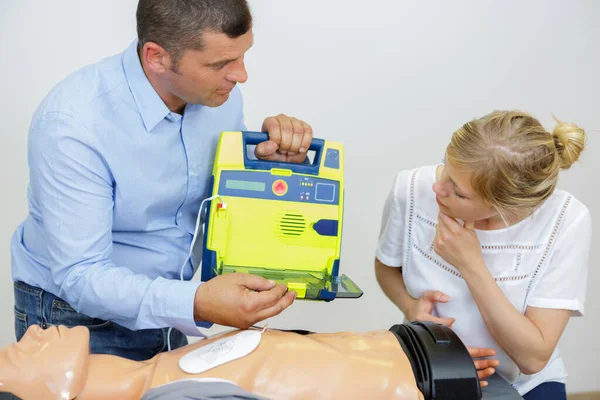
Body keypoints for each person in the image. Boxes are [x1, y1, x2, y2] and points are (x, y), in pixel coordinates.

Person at [10, 0, 312, 361]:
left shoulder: (219, 97)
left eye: (243, 55)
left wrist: (274, 163)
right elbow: (80, 275)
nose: (241, 75)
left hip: (169, 307)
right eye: (220, 64)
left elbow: (221, 199)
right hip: (76, 319)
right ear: (156, 57)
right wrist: (197, 302)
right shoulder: (73, 124)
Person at [374, 110, 592, 399]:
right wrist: (411, 307)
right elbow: (387, 267)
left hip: (525, 384)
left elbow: (533, 358)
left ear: (506, 207)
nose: (438, 188)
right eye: (445, 167)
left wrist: (470, 264)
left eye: (459, 193)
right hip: (430, 368)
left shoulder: (566, 220)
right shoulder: (411, 188)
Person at [0, 323, 504, 400]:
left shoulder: (162, 364)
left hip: (415, 348)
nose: (32, 332)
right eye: (15, 356)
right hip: (423, 381)